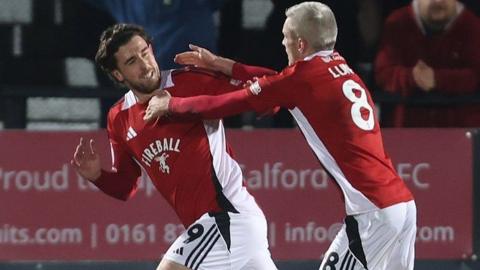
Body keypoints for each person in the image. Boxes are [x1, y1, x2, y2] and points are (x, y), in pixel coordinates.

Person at [144, 2, 417, 270]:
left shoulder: (300, 81)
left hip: (373, 212)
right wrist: (220, 64)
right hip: (402, 205)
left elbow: (228, 103)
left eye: (286, 37)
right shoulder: (338, 66)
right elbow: (277, 81)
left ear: (300, 45)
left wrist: (171, 105)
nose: (282, 43)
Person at [70, 23, 277, 270]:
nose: (145, 65)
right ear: (118, 75)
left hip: (229, 217)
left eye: (145, 52)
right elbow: (126, 186)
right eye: (131, 61)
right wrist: (97, 176)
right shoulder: (119, 117)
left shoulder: (191, 81)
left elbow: (272, 95)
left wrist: (222, 64)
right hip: (219, 230)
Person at [374, 0, 480, 127]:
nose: (438, 1)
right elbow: (383, 74)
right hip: (404, 133)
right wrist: (412, 77)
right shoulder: (397, 22)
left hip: (462, 134)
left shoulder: (471, 25)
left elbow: (476, 75)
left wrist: (437, 79)